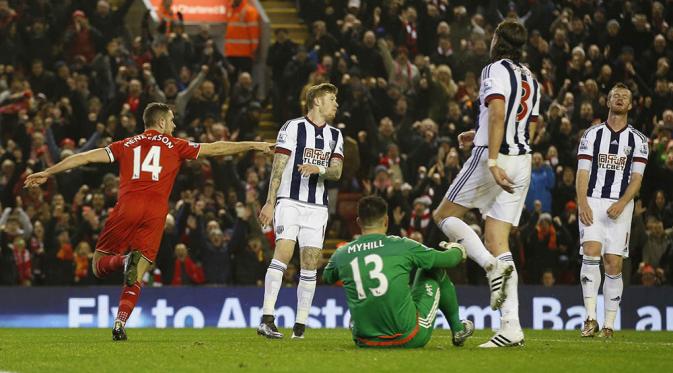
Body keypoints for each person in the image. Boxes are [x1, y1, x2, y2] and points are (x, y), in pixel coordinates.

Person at [24, 103, 273, 341]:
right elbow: (217, 148)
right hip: (156, 212)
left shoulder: (125, 144)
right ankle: (120, 321)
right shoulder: (176, 145)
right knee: (137, 274)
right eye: (172, 121)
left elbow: (84, 158)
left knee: (98, 265)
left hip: (127, 206)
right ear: (162, 121)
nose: (174, 125)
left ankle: (122, 264)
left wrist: (48, 172)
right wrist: (254, 145)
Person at [432, 20, 539, 347]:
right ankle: (511, 328)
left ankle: (491, 268)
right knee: (497, 238)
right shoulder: (532, 78)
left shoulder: (494, 69)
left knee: (443, 216)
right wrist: (478, 134)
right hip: (523, 160)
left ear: (497, 40)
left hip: (495, 158)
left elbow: (496, 113)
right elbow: (529, 125)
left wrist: (492, 158)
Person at [323, 195, 474, 348]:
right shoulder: (402, 245)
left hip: (366, 341)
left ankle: (363, 322)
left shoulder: (341, 253)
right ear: (386, 221)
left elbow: (327, 277)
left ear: (359, 222)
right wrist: (457, 248)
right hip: (410, 337)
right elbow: (448, 260)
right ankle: (458, 329)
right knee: (432, 269)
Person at [257, 83, 344, 339]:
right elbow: (279, 166)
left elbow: (337, 172)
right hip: (289, 201)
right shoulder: (292, 127)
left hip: (317, 206)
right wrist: (270, 202)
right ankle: (267, 319)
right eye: (332, 99)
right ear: (317, 101)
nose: (336, 104)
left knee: (310, 263)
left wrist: (319, 170)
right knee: (283, 251)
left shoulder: (335, 135)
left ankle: (299, 328)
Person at [577, 83, 649, 338]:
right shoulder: (592, 135)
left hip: (621, 205)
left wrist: (622, 202)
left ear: (630, 105)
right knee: (591, 251)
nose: (619, 99)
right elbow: (582, 172)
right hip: (593, 200)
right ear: (607, 102)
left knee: (613, 263)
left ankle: (608, 325)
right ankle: (589, 318)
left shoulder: (639, 141)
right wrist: (583, 203)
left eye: (625, 97)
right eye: (615, 96)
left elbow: (637, 179)